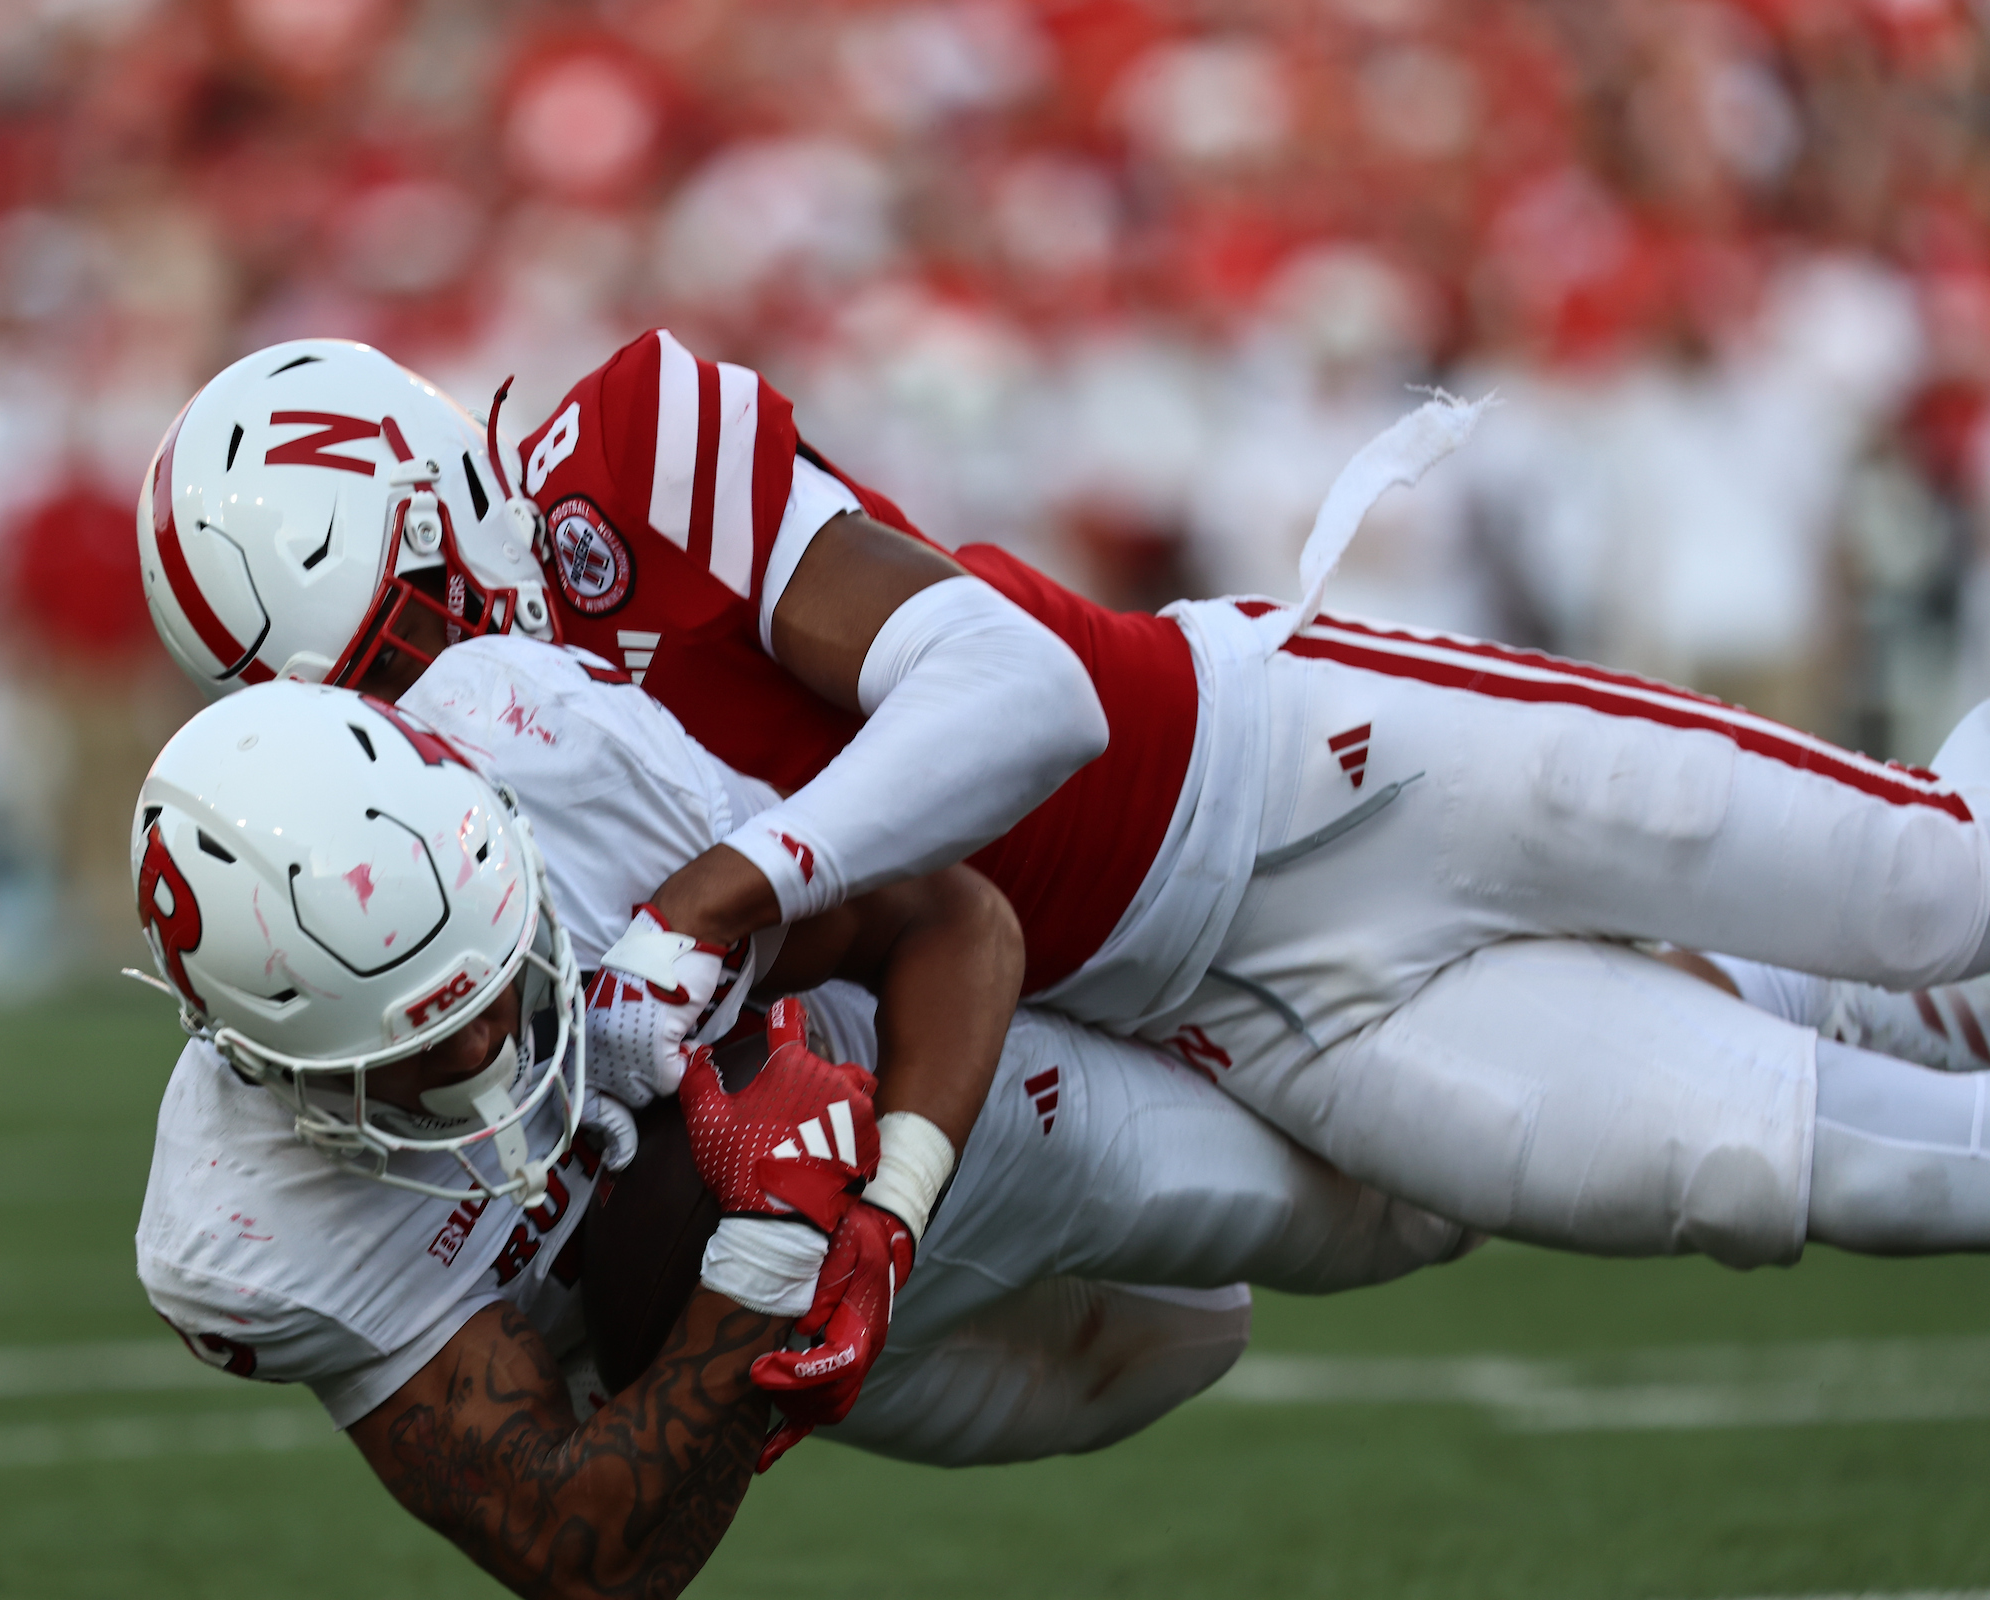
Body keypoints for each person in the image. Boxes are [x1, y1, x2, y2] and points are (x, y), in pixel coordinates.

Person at [138, 335, 1990, 1281]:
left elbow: (1022, 701)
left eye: (414, 623)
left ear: (438, 476)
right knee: (1787, 1170)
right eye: (366, 687)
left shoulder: (627, 450)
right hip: (1242, 1021)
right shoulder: (452, 813)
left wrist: (725, 887)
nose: (422, 693)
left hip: (1304, 761)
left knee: (1937, 879)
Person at [130, 652, 1473, 1598]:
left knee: (1375, 1207)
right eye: (415, 1051)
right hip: (779, 1363)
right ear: (245, 1048)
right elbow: (585, 1561)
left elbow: (949, 918)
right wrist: (765, 1264)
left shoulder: (550, 755)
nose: (487, 1053)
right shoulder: (242, 1229)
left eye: (491, 985)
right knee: (1175, 1352)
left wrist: (885, 1200)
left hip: (902, 1121)